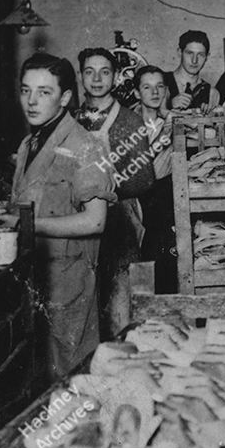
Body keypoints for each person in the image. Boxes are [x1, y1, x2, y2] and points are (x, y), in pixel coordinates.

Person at [12, 53, 116, 380]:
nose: (32, 101)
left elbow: (95, 221)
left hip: (69, 280)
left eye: (44, 92)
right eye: (26, 90)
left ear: (65, 97)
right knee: (36, 376)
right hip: (34, 275)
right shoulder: (29, 143)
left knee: (71, 377)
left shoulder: (86, 146)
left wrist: (27, 225)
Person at [76, 48, 155, 339]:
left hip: (120, 218)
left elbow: (145, 179)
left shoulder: (130, 121)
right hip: (77, 220)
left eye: (105, 72)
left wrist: (103, 193)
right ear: (80, 76)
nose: (97, 79)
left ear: (116, 77)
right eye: (90, 72)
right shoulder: (71, 121)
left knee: (121, 306)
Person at [133, 65, 178, 293]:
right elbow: (136, 167)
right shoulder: (128, 124)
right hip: (137, 199)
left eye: (160, 86)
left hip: (165, 196)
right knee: (140, 264)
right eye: (147, 87)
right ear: (136, 92)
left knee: (166, 262)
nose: (154, 92)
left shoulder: (170, 121)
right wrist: (163, 136)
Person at [170, 30, 220, 113]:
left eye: (200, 55)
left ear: (207, 57)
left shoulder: (212, 93)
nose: (194, 61)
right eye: (189, 53)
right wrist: (169, 104)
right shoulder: (161, 82)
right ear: (180, 52)